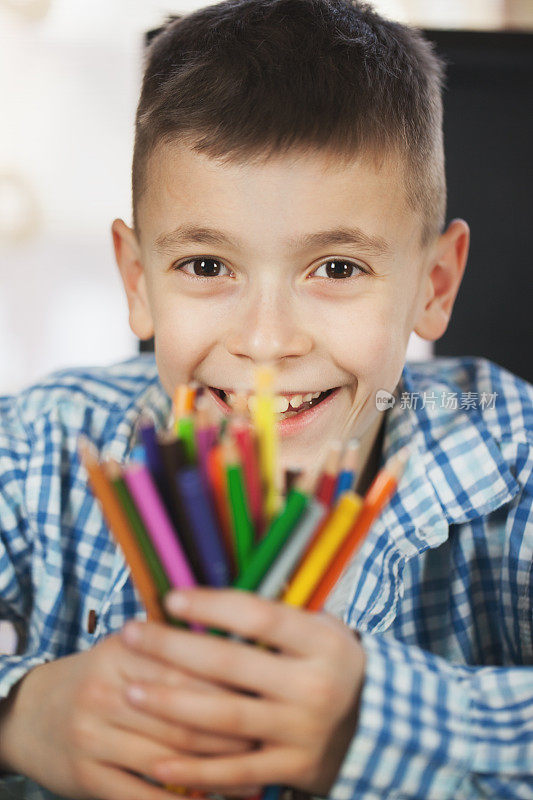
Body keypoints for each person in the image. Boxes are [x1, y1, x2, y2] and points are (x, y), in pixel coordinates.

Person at [0, 1, 531, 798]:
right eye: (207, 266)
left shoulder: (512, 452)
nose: (266, 342)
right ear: (138, 282)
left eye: (337, 269)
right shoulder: (48, 438)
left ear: (434, 284)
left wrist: (375, 724)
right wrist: (22, 711)